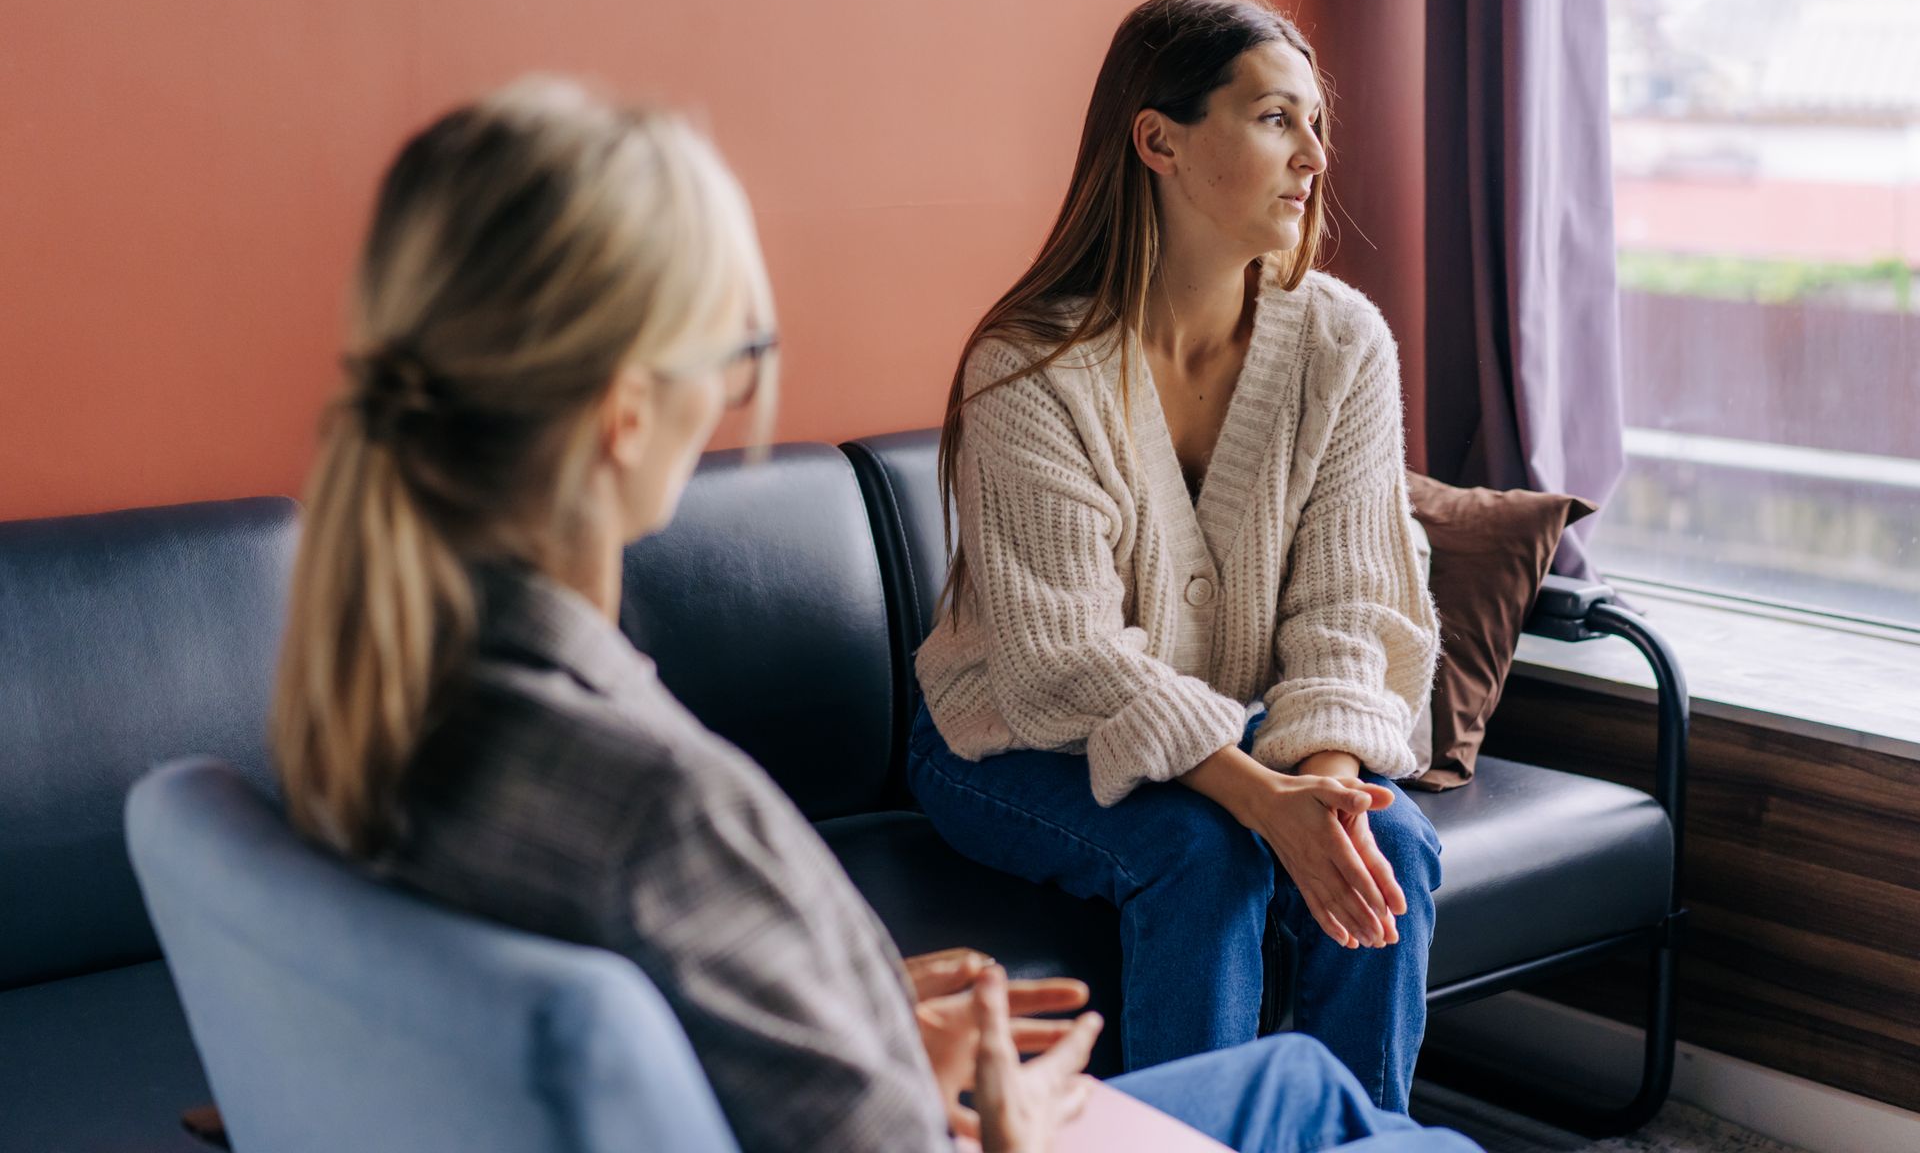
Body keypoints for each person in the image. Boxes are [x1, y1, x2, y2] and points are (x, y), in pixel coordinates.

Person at [269, 77, 1475, 1152]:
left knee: (1324, 1059)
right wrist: (993, 1110)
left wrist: (855, 1013)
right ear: (627, 415)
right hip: (1015, 833)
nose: (741, 392)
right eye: (735, 351)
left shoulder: (362, 715)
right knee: (1350, 1108)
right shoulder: (672, 811)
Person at [911, 0, 1443, 1111]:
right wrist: (1258, 796)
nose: (1313, 155)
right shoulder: (1030, 366)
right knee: (1202, 855)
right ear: (1158, 139)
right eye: (1273, 120)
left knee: (1397, 845)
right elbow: (1064, 658)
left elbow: (1354, 605)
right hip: (1010, 733)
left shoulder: (1342, 340)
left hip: (1228, 725)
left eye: (1315, 124)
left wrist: (1329, 788)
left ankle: (1353, 1139)